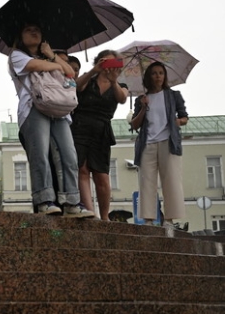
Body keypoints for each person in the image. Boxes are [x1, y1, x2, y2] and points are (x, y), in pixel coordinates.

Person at [8, 23, 93, 218]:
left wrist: (52, 55)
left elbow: (70, 73)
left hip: (59, 109)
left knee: (69, 155)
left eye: (37, 29)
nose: (34, 32)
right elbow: (34, 66)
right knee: (40, 155)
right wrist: (56, 64)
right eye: (28, 29)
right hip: (34, 107)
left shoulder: (49, 55)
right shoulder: (16, 56)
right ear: (20, 36)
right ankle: (44, 199)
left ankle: (72, 202)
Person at [130, 61, 188, 226]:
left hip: (168, 142)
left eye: (161, 73)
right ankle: (148, 219)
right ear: (149, 76)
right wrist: (143, 107)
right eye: (154, 73)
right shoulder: (142, 98)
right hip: (147, 143)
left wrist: (177, 122)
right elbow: (134, 125)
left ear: (165, 76)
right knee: (147, 181)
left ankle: (169, 219)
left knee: (171, 180)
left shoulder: (173, 95)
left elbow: (184, 117)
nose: (158, 76)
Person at [72, 50, 128, 220]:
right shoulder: (89, 78)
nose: (108, 67)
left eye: (113, 63)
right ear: (98, 62)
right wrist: (93, 71)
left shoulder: (119, 84)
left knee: (101, 174)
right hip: (80, 125)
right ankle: (90, 212)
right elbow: (77, 86)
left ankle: (105, 217)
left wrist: (114, 81)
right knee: (82, 169)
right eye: (105, 62)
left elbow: (122, 98)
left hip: (101, 129)